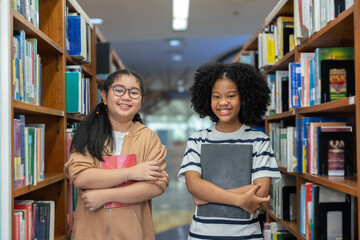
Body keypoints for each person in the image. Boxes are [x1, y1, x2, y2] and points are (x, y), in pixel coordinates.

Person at [177, 62, 281, 239]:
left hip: (247, 236)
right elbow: (193, 186)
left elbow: (260, 193)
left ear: (244, 98)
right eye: (216, 96)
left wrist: (206, 195)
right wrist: (240, 199)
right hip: (201, 236)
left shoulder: (259, 140)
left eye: (231, 96)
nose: (223, 102)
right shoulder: (197, 139)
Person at [64, 69, 169, 240]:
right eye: (119, 90)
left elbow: (156, 185)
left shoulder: (148, 138)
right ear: (104, 96)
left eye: (134, 92)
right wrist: (132, 173)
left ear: (141, 102)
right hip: (89, 232)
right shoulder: (88, 133)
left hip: (133, 232)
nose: (126, 97)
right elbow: (81, 177)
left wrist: (105, 195)